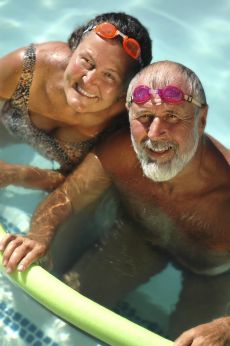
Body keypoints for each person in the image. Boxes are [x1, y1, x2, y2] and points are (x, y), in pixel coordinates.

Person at [0, 61, 230, 345]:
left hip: (210, 275)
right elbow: (68, 197)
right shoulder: (120, 152)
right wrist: (39, 235)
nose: (155, 133)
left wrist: (225, 327)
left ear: (202, 119)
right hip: (139, 240)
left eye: (172, 116)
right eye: (144, 117)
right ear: (128, 114)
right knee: (75, 304)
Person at [0, 12, 152, 191]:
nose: (88, 80)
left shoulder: (119, 128)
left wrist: (18, 174)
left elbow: (81, 191)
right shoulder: (29, 68)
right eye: (86, 61)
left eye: (109, 75)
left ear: (125, 90)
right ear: (74, 48)